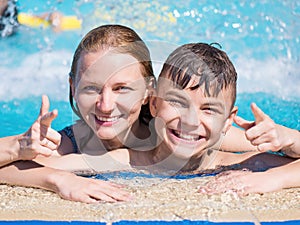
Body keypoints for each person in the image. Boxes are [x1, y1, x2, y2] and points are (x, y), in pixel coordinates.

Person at [0, 24, 155, 203]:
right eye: (91, 88)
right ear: (73, 88)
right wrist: (56, 177)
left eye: (121, 88)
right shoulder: (68, 144)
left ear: (147, 91)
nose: (105, 106)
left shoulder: (171, 133)